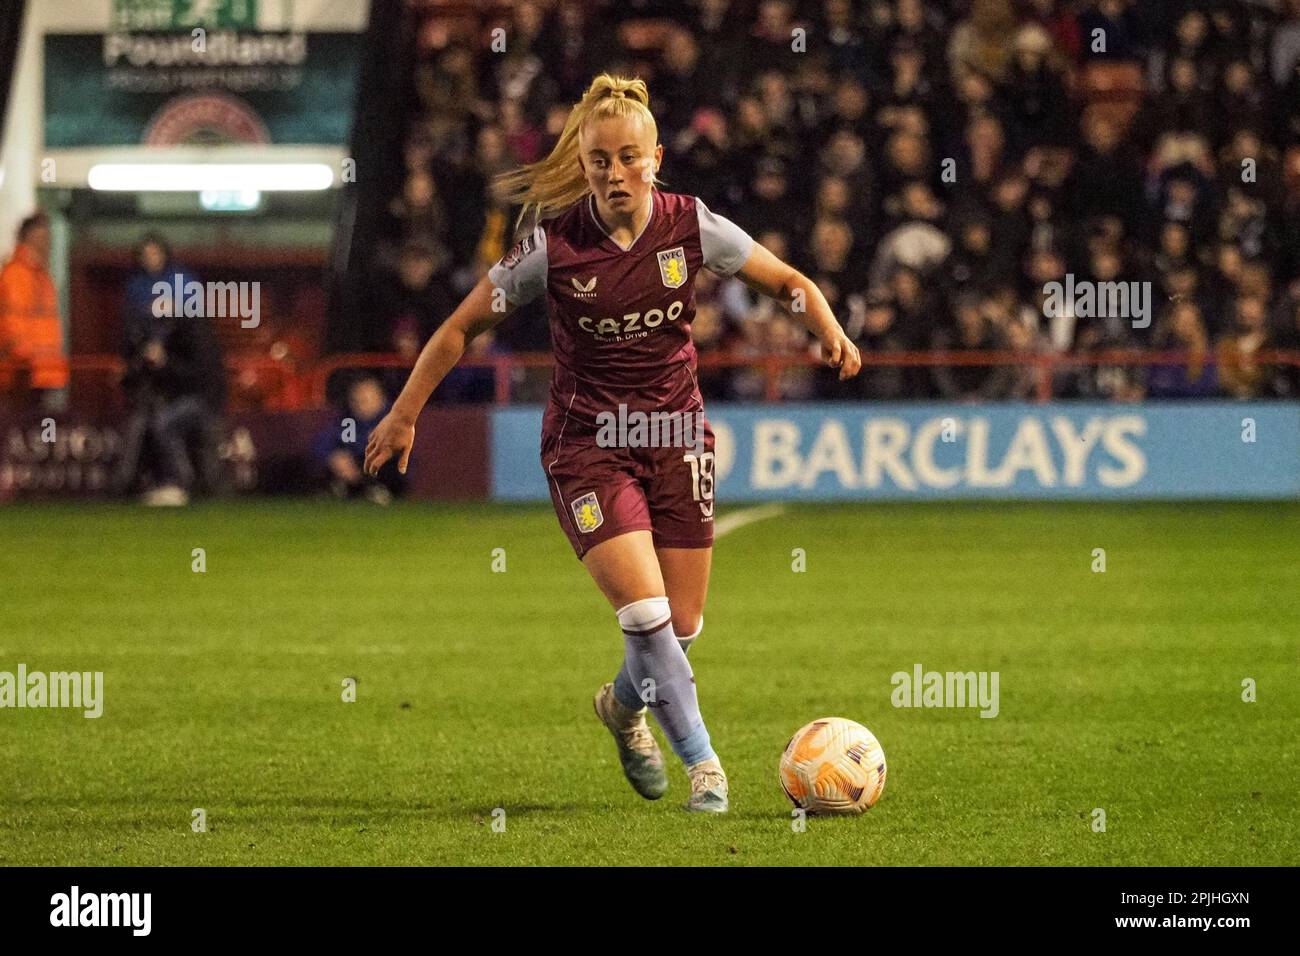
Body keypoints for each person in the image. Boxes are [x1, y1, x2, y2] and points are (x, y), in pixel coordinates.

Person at [364, 75, 860, 814]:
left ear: (656, 157)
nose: (615, 173)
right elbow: (462, 325)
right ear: (585, 164)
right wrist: (405, 413)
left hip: (677, 436)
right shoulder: (552, 247)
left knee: (682, 627)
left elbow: (784, 280)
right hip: (587, 445)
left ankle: (623, 707)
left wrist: (826, 323)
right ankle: (707, 769)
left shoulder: (693, 226)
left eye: (630, 157)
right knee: (644, 615)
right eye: (600, 160)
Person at [116, 234, 227, 504]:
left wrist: (166, 363)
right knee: (147, 422)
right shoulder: (144, 299)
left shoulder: (194, 331)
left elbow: (198, 374)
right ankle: (137, 484)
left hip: (203, 399)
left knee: (163, 423)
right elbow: (131, 339)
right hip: (172, 388)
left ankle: (180, 483)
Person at [0, 213, 68, 407]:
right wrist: (24, 361)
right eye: (43, 237)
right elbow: (12, 323)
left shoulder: (42, 276)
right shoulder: (15, 275)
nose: (48, 243)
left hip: (42, 372)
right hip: (23, 374)